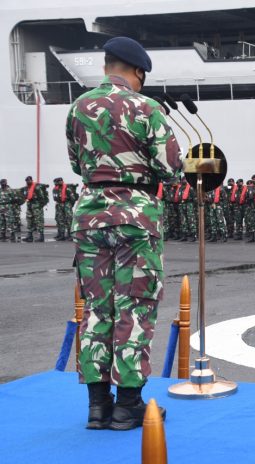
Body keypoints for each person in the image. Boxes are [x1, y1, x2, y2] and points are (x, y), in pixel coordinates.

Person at [65, 36, 182, 430]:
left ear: (105, 67)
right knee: (134, 306)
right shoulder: (146, 107)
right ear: (138, 72)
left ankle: (97, 406)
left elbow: (77, 165)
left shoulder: (78, 107)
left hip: (89, 215)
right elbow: (170, 166)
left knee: (97, 309)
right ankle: (127, 404)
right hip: (135, 215)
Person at [20, 175, 48, 242]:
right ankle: (29, 236)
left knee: (39, 221)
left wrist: (40, 206)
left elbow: (42, 198)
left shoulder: (37, 188)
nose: (28, 182)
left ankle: (41, 236)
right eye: (27, 181)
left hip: (37, 206)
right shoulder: (26, 188)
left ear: (31, 180)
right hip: (29, 206)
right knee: (29, 220)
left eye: (29, 180)